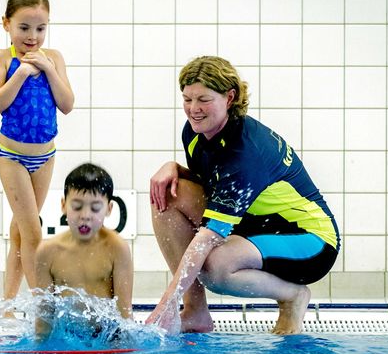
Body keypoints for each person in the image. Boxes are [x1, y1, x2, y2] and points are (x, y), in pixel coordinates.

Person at [145, 56, 340, 335]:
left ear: (230, 97)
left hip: (309, 239)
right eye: (187, 99)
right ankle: (195, 313)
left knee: (215, 267)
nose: (193, 109)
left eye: (203, 99)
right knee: (167, 194)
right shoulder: (196, 132)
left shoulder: (245, 152)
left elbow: (208, 237)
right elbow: (214, 185)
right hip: (255, 223)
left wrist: (164, 309)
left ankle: (292, 295)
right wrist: (174, 168)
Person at [0, 0, 74, 302]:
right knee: (32, 232)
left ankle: (8, 304)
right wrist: (22, 72)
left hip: (45, 157)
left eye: (40, 29)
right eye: (24, 28)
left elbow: (67, 104)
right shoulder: (1, 58)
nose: (32, 36)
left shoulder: (55, 58)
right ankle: (43, 306)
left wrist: (49, 69)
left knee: (19, 232)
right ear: (6, 24)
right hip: (11, 156)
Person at [34, 163, 133, 341]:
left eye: (95, 208)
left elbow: (124, 315)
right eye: (77, 207)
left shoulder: (117, 248)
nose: (85, 215)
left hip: (106, 339)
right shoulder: (48, 252)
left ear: (109, 209)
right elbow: (44, 319)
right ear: (64, 206)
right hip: (66, 339)